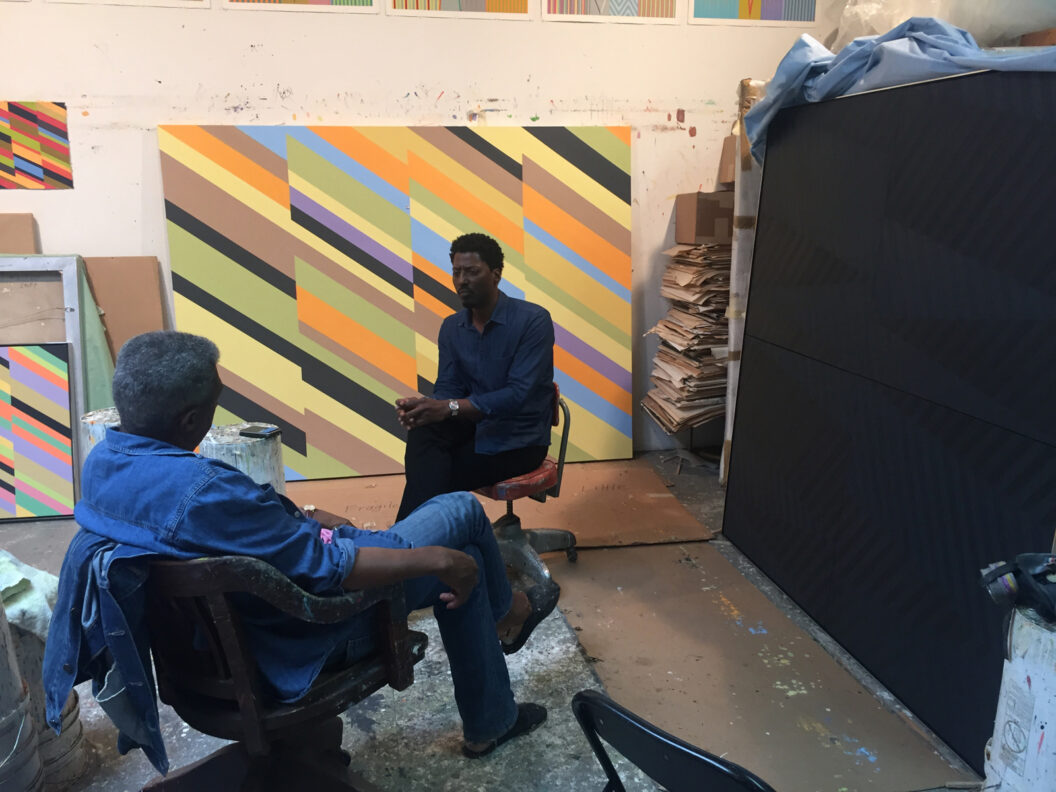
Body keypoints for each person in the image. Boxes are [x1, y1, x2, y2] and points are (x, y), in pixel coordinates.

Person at [43, 331, 556, 771]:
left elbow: (250, 535)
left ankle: (500, 630)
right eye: (216, 401)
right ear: (189, 420)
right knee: (462, 521)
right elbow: (335, 570)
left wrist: (299, 520)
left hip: (212, 647)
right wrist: (443, 561)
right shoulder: (203, 494)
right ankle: (503, 642)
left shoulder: (105, 464)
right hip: (301, 638)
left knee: (448, 536)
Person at [396, 232, 555, 522]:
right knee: (424, 434)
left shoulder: (533, 321)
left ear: (496, 275)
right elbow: (449, 387)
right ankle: (415, 547)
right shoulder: (452, 328)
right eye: (456, 272)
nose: (461, 281)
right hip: (472, 432)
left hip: (518, 441)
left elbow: (519, 395)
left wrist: (450, 408)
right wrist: (426, 408)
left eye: (472, 272)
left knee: (433, 478)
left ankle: (405, 547)